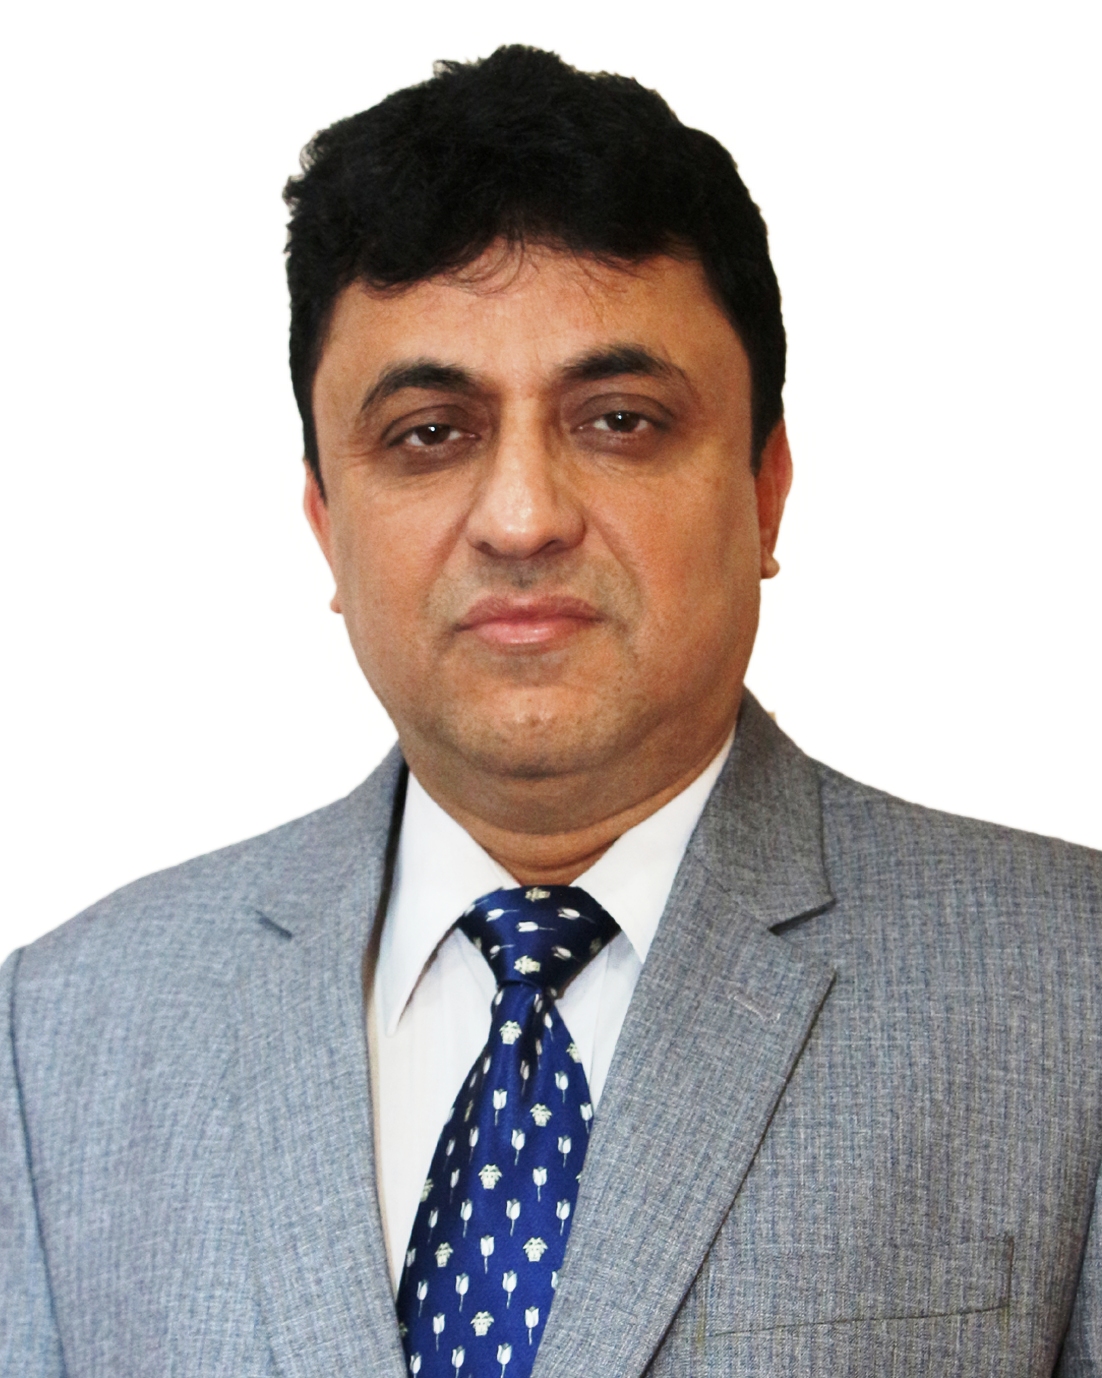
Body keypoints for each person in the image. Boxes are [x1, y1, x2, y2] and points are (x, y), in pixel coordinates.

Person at [2, 44, 1100, 1378]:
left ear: (766, 489)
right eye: (428, 432)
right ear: (326, 523)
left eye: (619, 420)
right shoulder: (64, 1036)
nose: (522, 518)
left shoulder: (1069, 988)